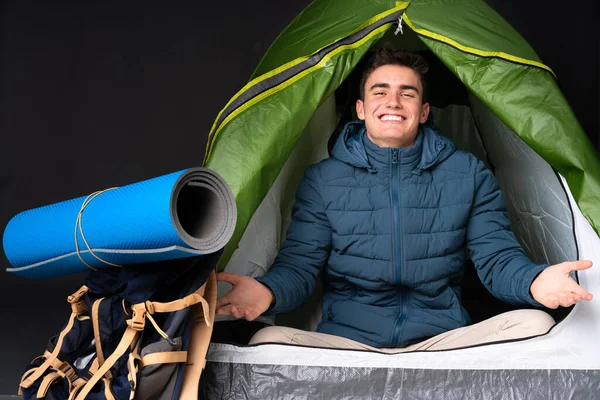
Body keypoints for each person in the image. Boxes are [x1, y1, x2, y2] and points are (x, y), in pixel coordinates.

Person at [215, 47, 594, 352]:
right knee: (268, 341)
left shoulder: (469, 174)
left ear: (424, 111)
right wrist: (266, 291)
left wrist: (533, 282)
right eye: (380, 92)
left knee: (535, 324)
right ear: (361, 110)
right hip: (347, 342)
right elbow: (299, 265)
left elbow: (496, 260)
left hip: (442, 341)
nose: (393, 102)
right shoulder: (323, 180)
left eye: (407, 93)